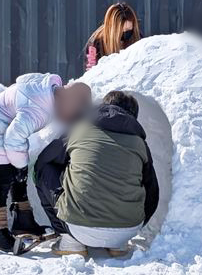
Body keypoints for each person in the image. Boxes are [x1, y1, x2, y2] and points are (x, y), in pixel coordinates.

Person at [0, 75, 92, 253]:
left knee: (17, 169)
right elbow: (12, 138)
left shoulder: (47, 89)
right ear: (66, 104)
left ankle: (23, 220)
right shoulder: (39, 110)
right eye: (71, 115)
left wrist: (21, 166)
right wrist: (21, 165)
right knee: (5, 177)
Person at [35, 91, 159, 257]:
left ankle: (69, 241)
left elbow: (44, 160)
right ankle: (118, 246)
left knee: (44, 169)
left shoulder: (79, 129)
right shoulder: (139, 143)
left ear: (102, 107)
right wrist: (139, 222)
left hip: (78, 226)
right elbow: (153, 190)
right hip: (128, 229)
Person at [84, 2, 141, 70]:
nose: (125, 34)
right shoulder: (95, 44)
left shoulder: (138, 38)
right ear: (112, 29)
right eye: (121, 31)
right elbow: (92, 72)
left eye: (129, 29)